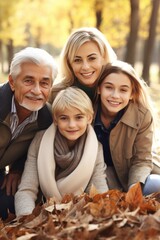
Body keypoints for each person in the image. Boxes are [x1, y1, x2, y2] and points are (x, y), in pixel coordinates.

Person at [15, 87, 108, 217]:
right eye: (64, 118)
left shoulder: (95, 148)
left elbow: (98, 190)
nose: (72, 125)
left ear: (89, 118)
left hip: (80, 215)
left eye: (78, 117)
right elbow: (26, 190)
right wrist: (27, 220)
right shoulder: (40, 140)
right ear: (55, 120)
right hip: (44, 213)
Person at [0, 47, 58, 220]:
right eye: (28, 81)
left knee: (9, 205)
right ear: (12, 82)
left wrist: (17, 168)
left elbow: (33, 150)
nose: (37, 90)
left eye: (44, 83)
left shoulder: (47, 120)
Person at [94, 60, 160, 195]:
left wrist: (134, 190)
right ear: (99, 88)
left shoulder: (141, 116)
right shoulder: (87, 112)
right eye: (109, 87)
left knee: (155, 184)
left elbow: (141, 160)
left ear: (131, 94)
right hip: (101, 176)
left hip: (134, 174)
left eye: (123, 90)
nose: (115, 95)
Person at [49, 27, 117, 104]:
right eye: (77, 60)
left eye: (92, 58)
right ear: (69, 63)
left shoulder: (120, 92)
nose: (85, 67)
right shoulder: (55, 96)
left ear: (104, 57)